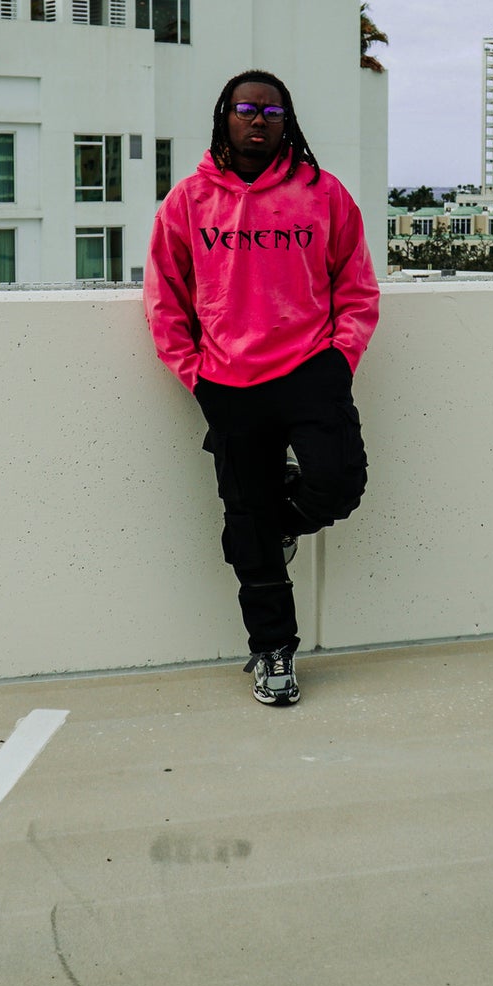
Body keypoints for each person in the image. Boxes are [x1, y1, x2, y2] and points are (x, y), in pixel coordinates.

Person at [143, 71, 380, 706]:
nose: (258, 120)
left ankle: (276, 526)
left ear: (287, 121)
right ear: (224, 117)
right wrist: (194, 374)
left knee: (338, 483)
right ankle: (273, 650)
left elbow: (356, 288)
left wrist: (340, 357)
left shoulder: (323, 195)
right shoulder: (189, 201)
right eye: (245, 109)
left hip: (310, 371)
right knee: (245, 519)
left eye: (271, 111)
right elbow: (165, 298)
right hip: (227, 380)